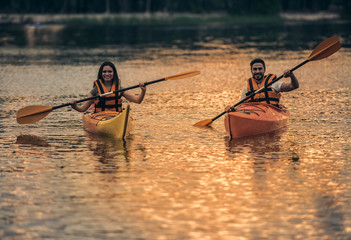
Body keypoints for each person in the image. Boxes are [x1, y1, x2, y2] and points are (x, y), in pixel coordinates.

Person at [226, 58, 299, 112]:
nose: (257, 71)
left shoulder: (274, 85)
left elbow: (294, 86)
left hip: (271, 113)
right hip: (254, 114)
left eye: (260, 69)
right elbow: (240, 108)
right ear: (251, 71)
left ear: (264, 70)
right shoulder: (246, 90)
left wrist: (291, 76)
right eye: (255, 69)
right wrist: (232, 110)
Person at [70, 61, 146, 113]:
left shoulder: (119, 89)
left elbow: (138, 100)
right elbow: (83, 109)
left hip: (116, 116)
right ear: (101, 73)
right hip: (100, 117)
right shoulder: (95, 91)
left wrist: (143, 91)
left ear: (114, 73)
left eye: (110, 71)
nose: (107, 74)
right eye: (104, 72)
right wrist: (75, 106)